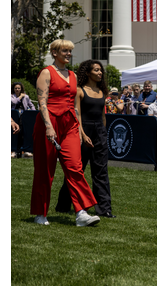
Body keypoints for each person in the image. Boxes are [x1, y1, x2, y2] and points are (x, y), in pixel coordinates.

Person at [31, 40, 100, 227]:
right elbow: (42, 102)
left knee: (75, 167)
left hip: (69, 124)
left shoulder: (72, 75)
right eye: (65, 51)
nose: (69, 54)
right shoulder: (46, 72)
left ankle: (81, 212)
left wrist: (79, 129)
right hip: (49, 122)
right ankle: (40, 213)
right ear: (54, 52)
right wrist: (48, 126)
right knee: (45, 170)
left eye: (70, 51)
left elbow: (73, 106)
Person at [55, 59, 115, 218]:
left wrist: (103, 133)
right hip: (83, 132)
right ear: (87, 73)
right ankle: (63, 205)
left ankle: (104, 210)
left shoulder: (103, 92)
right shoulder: (80, 90)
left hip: (99, 133)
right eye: (96, 70)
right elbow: (77, 113)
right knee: (77, 171)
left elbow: (103, 116)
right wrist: (82, 134)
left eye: (100, 70)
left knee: (101, 172)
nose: (100, 72)